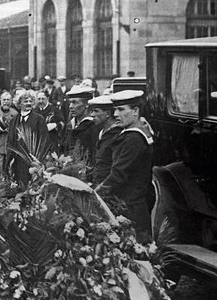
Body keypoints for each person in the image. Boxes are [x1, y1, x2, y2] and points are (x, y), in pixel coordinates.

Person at [96, 90, 154, 242]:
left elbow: (119, 174)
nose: (115, 114)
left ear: (135, 111)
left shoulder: (134, 138)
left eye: (121, 109)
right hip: (128, 208)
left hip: (130, 211)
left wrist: (96, 194)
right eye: (115, 109)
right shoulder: (132, 133)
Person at [7, 90, 50, 186]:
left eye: (31, 101)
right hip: (17, 161)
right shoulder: (14, 120)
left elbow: (44, 140)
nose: (29, 103)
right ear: (19, 103)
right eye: (25, 101)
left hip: (33, 161)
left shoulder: (39, 119)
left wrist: (39, 160)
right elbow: (10, 141)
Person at [88, 95, 120, 186]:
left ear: (107, 114)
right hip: (98, 183)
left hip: (108, 186)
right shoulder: (100, 131)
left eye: (96, 111)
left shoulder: (116, 134)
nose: (92, 115)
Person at [63, 85, 97, 162]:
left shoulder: (92, 126)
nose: (70, 106)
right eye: (70, 102)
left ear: (86, 104)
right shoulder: (70, 124)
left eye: (75, 102)